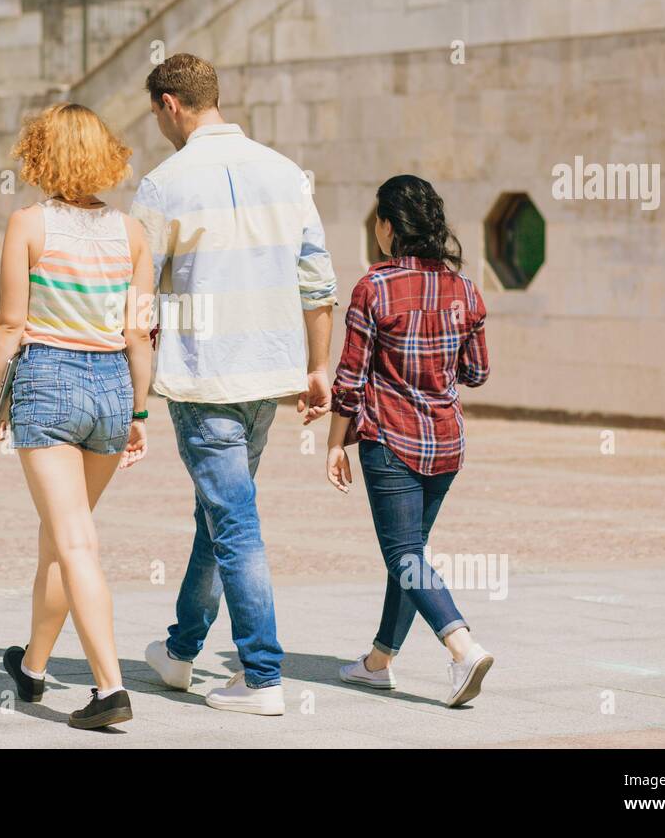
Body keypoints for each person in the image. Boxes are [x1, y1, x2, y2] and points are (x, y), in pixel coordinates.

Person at [132, 53, 337, 715]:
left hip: (204, 375)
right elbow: (317, 280)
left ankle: (260, 673)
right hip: (270, 373)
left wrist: (129, 383)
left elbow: (139, 296)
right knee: (221, 515)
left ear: (170, 104)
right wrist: (316, 365)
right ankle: (182, 651)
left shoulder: (164, 184)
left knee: (235, 523)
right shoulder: (285, 173)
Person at [0, 103, 154, 730]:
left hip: (49, 382)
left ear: (40, 155)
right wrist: (137, 410)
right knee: (58, 537)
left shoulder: (28, 224)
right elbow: (140, 336)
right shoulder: (132, 234)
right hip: (111, 389)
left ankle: (110, 688)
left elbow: (8, 322)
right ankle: (32, 668)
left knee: (75, 541)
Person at [325, 174, 494, 707]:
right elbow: (478, 372)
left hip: (391, 440)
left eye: (377, 219)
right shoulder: (466, 290)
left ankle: (462, 647)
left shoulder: (373, 287)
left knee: (403, 555)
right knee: (410, 553)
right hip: (445, 443)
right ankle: (379, 662)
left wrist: (334, 443)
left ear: (389, 227)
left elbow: (350, 378)